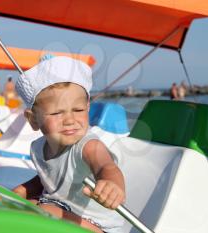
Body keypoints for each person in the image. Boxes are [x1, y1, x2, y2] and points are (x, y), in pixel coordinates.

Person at [13, 56, 125, 233]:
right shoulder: (38, 148)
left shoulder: (89, 146)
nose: (70, 120)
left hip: (96, 225)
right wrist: (19, 192)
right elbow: (46, 180)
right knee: (24, 206)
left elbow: (106, 166)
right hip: (60, 210)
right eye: (57, 113)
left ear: (87, 107)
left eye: (78, 110)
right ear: (33, 119)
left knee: (39, 211)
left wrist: (112, 184)